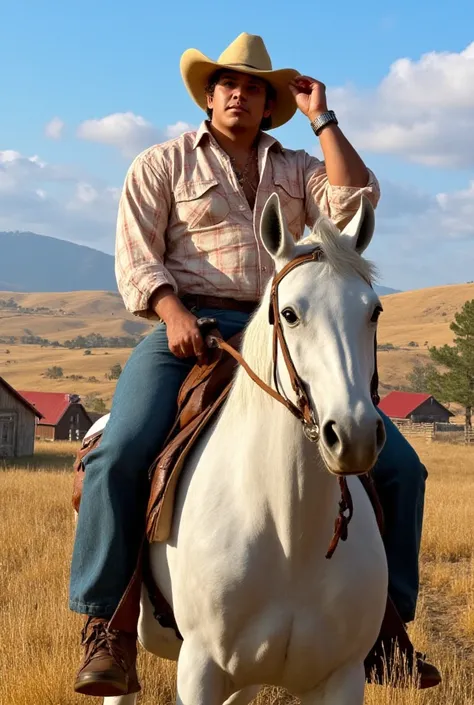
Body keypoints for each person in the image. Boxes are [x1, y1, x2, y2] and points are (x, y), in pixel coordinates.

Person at [70, 32, 438, 697]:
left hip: (292, 325)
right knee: (118, 451)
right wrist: (172, 312)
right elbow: (136, 254)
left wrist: (324, 119)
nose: (240, 94)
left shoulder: (298, 166)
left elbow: (356, 206)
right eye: (228, 84)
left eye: (255, 88)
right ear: (209, 95)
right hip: (190, 326)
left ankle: (387, 631)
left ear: (271, 103)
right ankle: (109, 629)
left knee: (403, 468)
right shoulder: (164, 163)